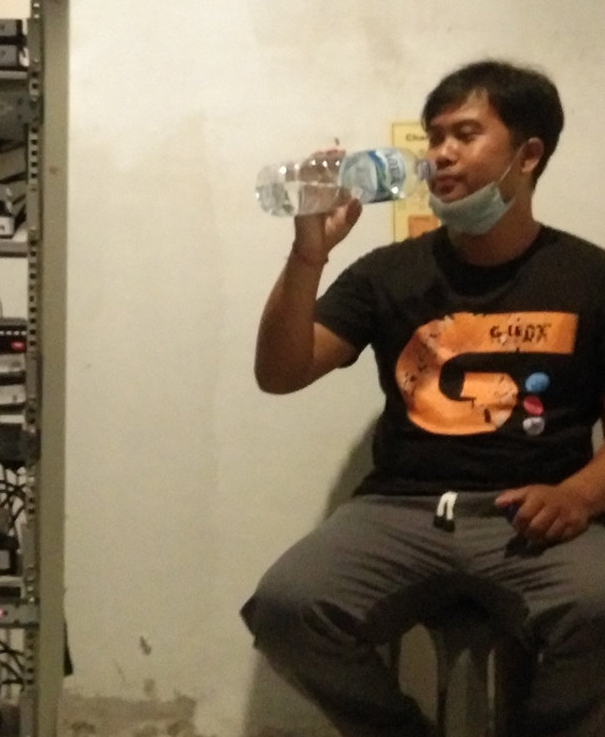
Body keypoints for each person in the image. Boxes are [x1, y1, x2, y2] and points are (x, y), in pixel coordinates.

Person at [241, 60, 605, 737]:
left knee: (599, 607)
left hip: (534, 515)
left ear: (528, 155)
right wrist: (308, 254)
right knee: (288, 606)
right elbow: (281, 372)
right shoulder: (388, 272)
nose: (440, 154)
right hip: (399, 509)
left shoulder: (590, 276)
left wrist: (579, 496)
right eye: (434, 137)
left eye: (464, 134)